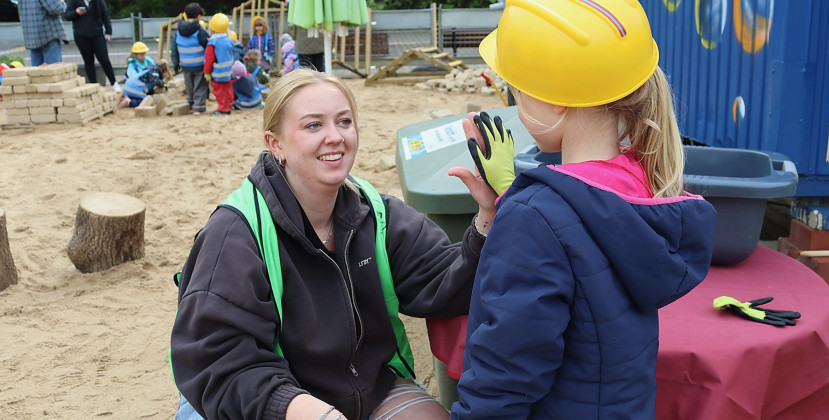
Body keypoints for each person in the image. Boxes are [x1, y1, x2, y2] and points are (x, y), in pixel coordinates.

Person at [170, 68, 498, 420]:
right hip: (271, 400)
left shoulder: (373, 211)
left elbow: (442, 281)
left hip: (369, 390)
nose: (335, 137)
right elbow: (215, 360)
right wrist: (303, 410)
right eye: (314, 125)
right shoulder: (236, 234)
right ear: (275, 143)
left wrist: (486, 217)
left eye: (344, 121)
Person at [449, 0, 718, 419]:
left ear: (556, 101)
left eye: (516, 91)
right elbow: (582, 243)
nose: (516, 104)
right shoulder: (639, 184)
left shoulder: (535, 218)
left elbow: (505, 377)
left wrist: (521, 211)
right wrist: (510, 195)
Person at [65, 0, 119, 92]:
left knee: (104, 59)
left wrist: (108, 30)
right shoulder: (74, 1)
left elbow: (105, 14)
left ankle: (114, 83)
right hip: (81, 36)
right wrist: (76, 12)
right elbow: (67, 15)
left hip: (97, 34)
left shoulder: (98, 1)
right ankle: (94, 85)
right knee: (88, 61)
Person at [171, 2, 209, 115]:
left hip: (185, 64)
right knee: (200, 85)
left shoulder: (178, 31)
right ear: (199, 16)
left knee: (190, 85)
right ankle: (199, 107)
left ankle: (191, 104)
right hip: (199, 64)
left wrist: (175, 64)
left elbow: (174, 49)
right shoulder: (200, 30)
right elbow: (207, 46)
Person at [203, 13, 235, 115]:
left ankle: (223, 109)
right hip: (229, 71)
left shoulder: (213, 42)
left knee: (219, 92)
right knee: (228, 89)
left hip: (218, 72)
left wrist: (207, 72)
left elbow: (209, 59)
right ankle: (229, 106)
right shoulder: (229, 40)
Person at [19, 0, 67, 66]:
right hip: (48, 34)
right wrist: (62, 2)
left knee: (37, 73)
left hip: (32, 36)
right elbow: (56, 8)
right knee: (53, 71)